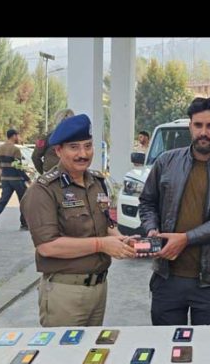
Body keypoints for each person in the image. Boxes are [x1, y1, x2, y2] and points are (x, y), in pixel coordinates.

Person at [21, 114, 136, 327]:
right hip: (65, 292)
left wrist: (121, 240)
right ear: (59, 150)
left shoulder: (97, 182)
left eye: (88, 146)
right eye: (74, 147)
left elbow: (105, 225)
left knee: (90, 357)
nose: (83, 154)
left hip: (99, 287)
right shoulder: (44, 190)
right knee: (62, 357)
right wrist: (102, 245)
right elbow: (47, 246)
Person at [138, 97, 210, 326]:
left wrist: (185, 239)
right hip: (167, 277)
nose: (203, 132)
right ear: (190, 126)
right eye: (198, 125)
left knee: (206, 352)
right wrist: (151, 229)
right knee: (166, 347)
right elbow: (147, 203)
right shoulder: (166, 162)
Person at [0, 128, 30, 233]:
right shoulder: (15, 150)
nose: (19, 138)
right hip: (16, 179)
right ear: (14, 136)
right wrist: (27, 179)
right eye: (18, 136)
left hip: (5, 179)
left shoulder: (0, 148)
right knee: (23, 201)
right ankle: (24, 224)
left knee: (2, 202)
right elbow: (18, 167)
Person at [32, 108, 74, 174]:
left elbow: (35, 156)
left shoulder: (76, 137)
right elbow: (35, 157)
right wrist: (44, 172)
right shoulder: (46, 137)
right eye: (63, 119)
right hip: (52, 174)